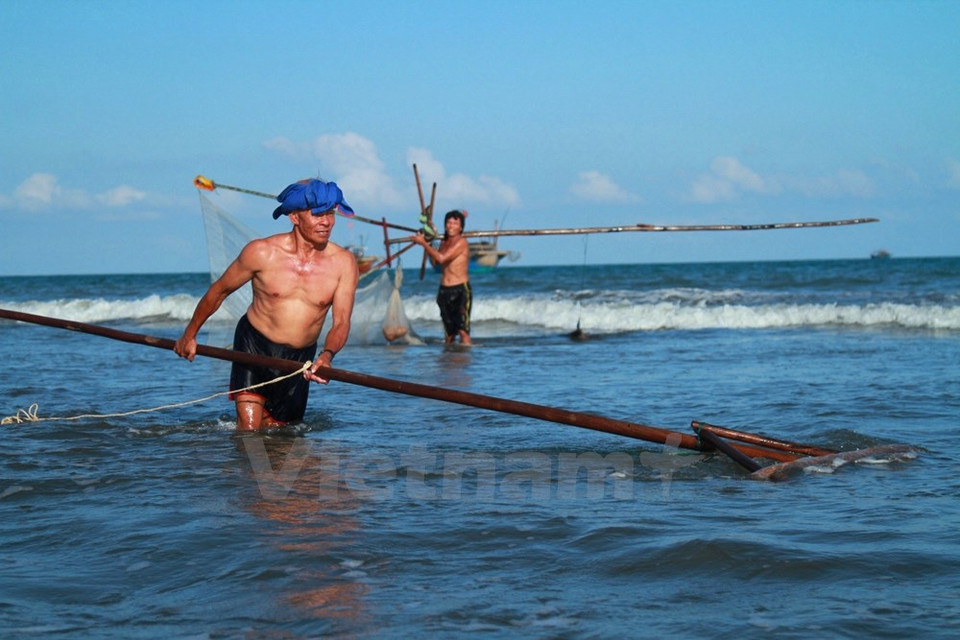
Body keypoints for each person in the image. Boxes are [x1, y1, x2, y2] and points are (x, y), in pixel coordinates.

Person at [174, 178, 359, 431]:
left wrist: (327, 356)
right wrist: (189, 334)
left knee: (281, 434)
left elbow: (342, 322)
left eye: (330, 213)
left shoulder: (344, 263)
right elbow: (219, 291)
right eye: (317, 214)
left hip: (299, 358)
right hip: (254, 345)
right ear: (294, 217)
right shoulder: (261, 253)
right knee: (250, 432)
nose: (326, 222)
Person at [412, 209, 473, 346]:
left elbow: (442, 258)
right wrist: (429, 242)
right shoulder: (444, 242)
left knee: (463, 331)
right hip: (444, 290)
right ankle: (449, 356)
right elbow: (435, 262)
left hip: (461, 290)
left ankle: (467, 356)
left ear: (461, 227)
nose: (451, 226)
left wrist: (423, 243)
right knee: (449, 334)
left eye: (455, 223)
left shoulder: (462, 242)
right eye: (449, 223)